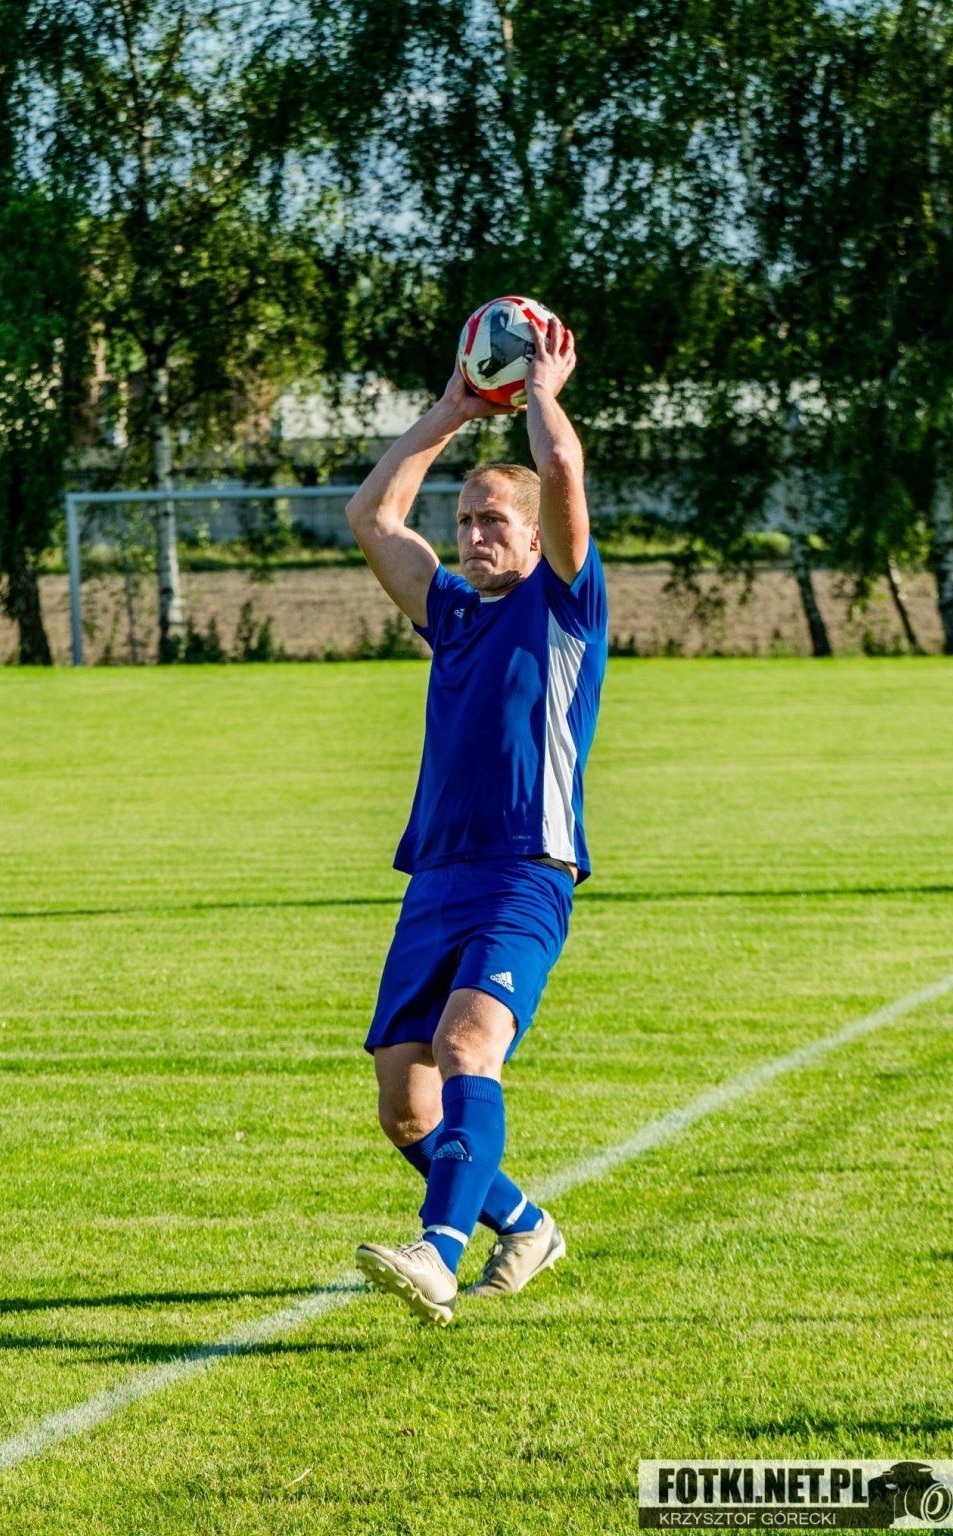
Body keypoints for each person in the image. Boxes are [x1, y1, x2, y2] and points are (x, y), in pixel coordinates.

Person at [345, 315, 607, 1325]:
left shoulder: (565, 605)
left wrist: (539, 390)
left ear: (537, 537)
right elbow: (373, 517)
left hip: (526, 869)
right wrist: (451, 411)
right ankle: (526, 1225)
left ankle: (439, 1253)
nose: (472, 536)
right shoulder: (450, 613)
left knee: (467, 1049)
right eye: (464, 522)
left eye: (494, 521)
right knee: (405, 1109)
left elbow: (563, 469)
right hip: (437, 875)